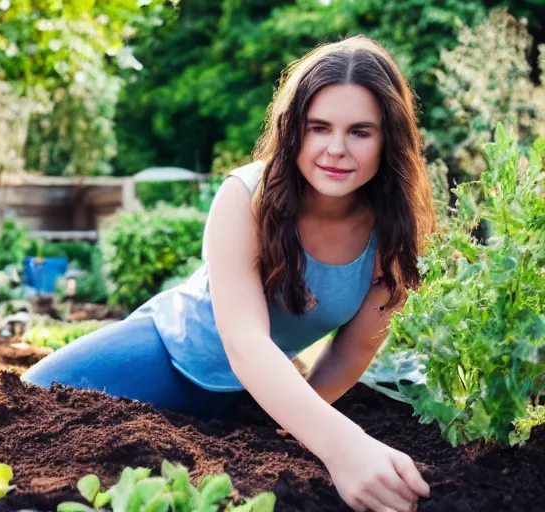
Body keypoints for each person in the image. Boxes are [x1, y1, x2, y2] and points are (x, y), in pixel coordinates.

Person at [21, 34, 435, 512]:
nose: (336, 149)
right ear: (293, 129)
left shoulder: (393, 233)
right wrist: (344, 447)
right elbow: (246, 343)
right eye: (318, 127)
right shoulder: (246, 195)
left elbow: (352, 351)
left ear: (389, 138)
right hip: (166, 356)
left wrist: (298, 425)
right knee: (24, 407)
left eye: (360, 131)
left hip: (254, 390)